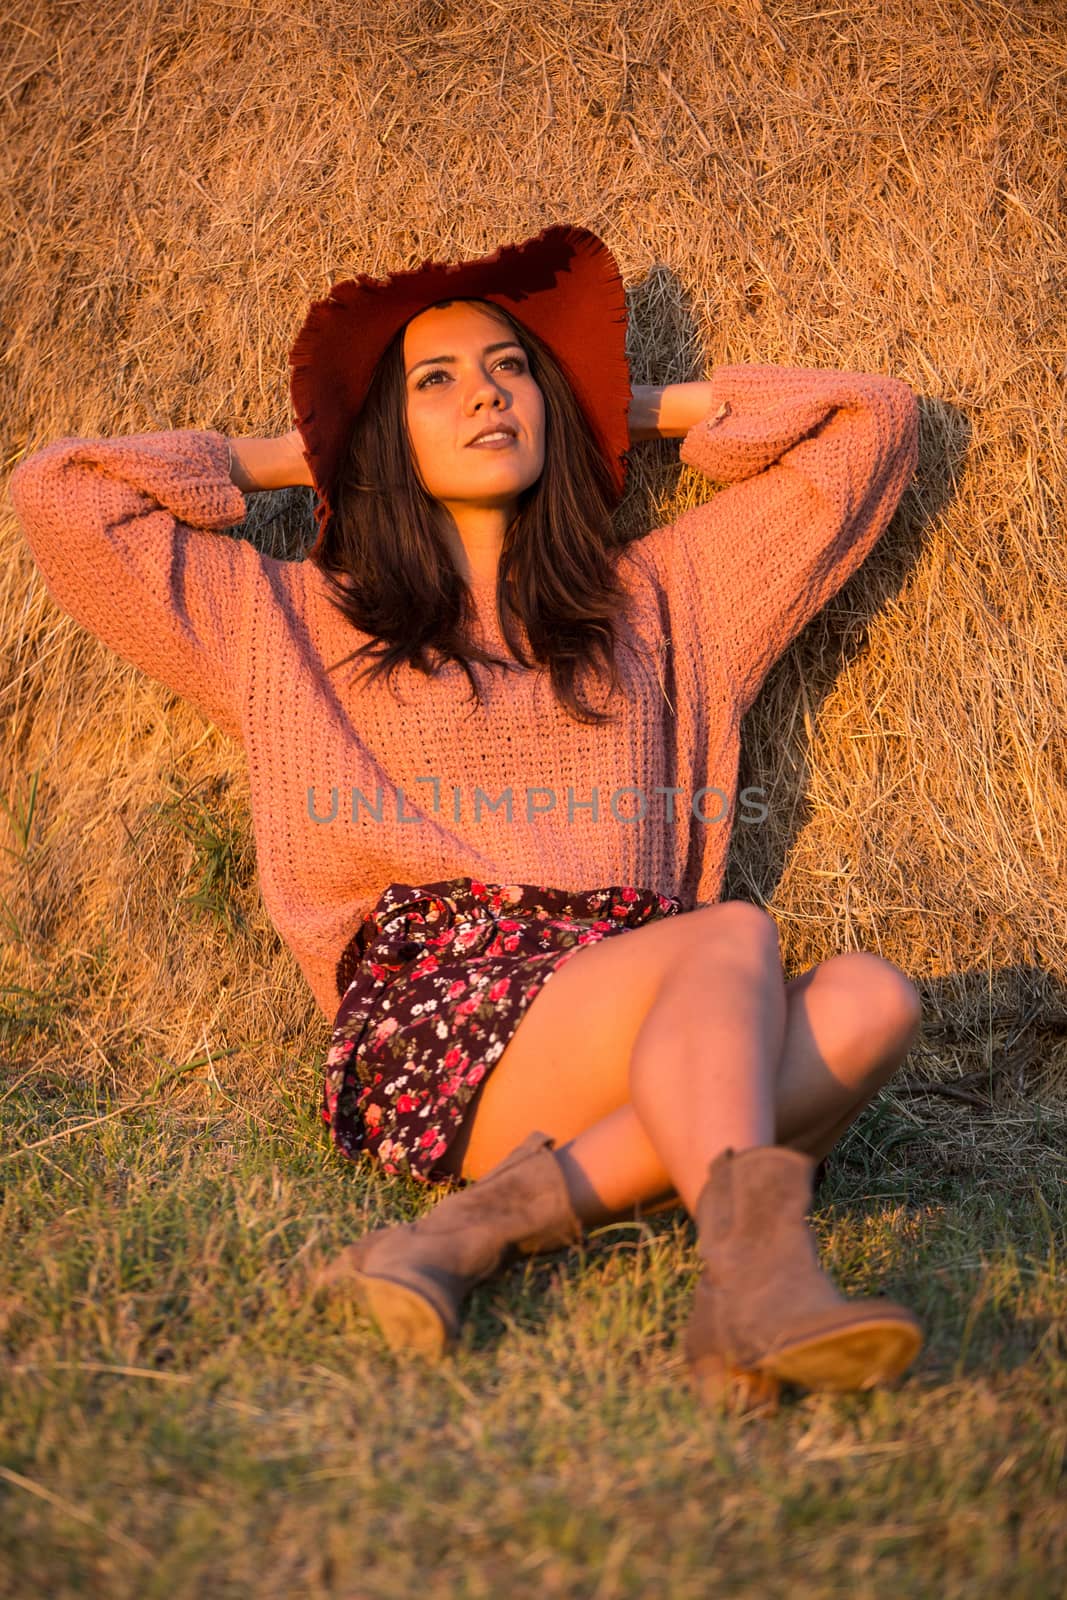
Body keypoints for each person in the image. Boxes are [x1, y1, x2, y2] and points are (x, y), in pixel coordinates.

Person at [10, 224, 924, 1411]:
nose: (483, 397)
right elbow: (61, 495)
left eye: (510, 371)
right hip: (437, 1029)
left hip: (644, 1010)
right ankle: (752, 1273)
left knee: (872, 1000)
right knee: (734, 938)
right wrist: (309, 453)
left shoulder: (664, 603)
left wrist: (614, 403)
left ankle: (464, 1236)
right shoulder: (289, 624)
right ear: (389, 431)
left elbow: (871, 424)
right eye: (431, 384)